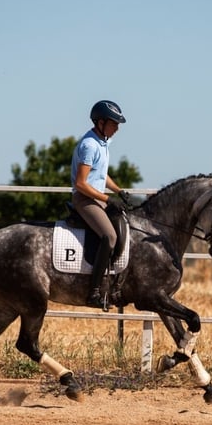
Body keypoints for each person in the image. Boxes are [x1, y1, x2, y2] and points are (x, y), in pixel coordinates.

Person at [71, 100, 133, 310]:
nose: (117, 128)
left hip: (98, 197)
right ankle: (94, 292)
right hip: (85, 199)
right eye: (114, 123)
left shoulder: (102, 143)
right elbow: (81, 183)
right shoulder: (89, 145)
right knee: (110, 236)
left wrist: (119, 191)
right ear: (100, 122)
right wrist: (108, 200)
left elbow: (101, 174)